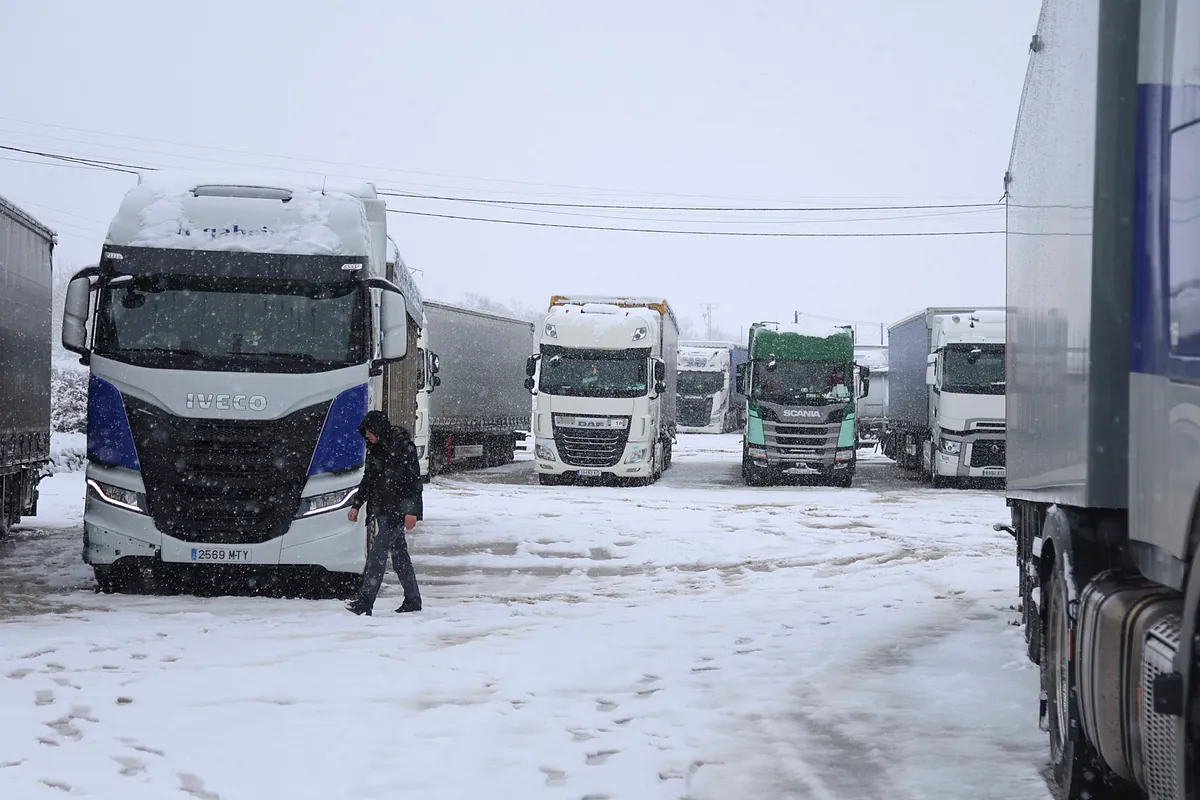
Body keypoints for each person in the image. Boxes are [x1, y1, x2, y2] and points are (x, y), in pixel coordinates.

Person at [344, 410, 423, 616]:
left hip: (397, 511)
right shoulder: (374, 449)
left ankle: (365, 602)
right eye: (365, 432)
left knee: (377, 553)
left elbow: (414, 483)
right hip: (382, 510)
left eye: (369, 431)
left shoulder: (403, 447)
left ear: (379, 429)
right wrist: (356, 505)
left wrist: (411, 512)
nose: (367, 436)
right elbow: (368, 480)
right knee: (399, 556)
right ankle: (413, 599)